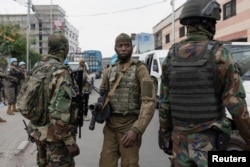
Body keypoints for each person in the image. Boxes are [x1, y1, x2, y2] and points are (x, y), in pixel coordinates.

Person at [158, 0, 250, 166]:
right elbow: (237, 105)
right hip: (208, 142)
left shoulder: (171, 56)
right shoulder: (220, 53)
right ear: (209, 24)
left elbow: (165, 103)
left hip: (179, 142)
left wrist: (165, 136)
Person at [98, 33, 156, 167]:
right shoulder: (109, 71)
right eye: (120, 46)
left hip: (129, 126)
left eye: (127, 45)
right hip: (110, 127)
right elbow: (103, 95)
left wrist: (137, 129)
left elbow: (149, 101)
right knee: (105, 163)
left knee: (129, 164)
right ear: (115, 48)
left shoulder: (140, 69)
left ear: (131, 48)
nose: (123, 49)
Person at [28, 30, 80, 167]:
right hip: (56, 138)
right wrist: (69, 141)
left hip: (38, 133)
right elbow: (59, 112)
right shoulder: (61, 72)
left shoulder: (38, 68)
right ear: (65, 49)